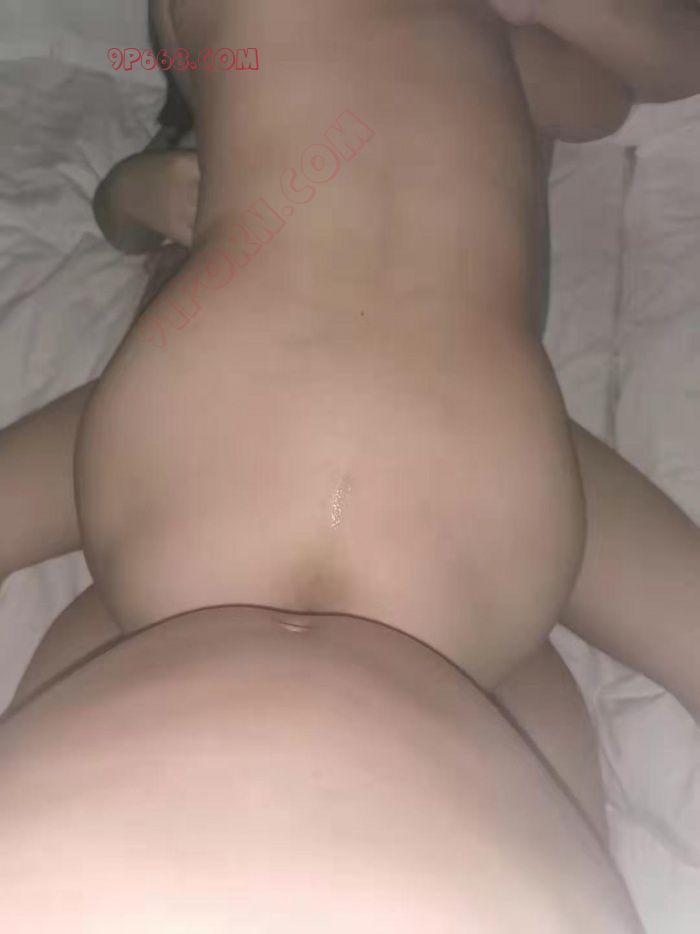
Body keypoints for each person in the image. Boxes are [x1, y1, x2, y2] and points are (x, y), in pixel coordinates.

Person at [0, 0, 697, 926]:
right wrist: (144, 189)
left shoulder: (497, 41)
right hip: (254, 438)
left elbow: (632, 85)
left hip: (406, 485)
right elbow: (142, 154)